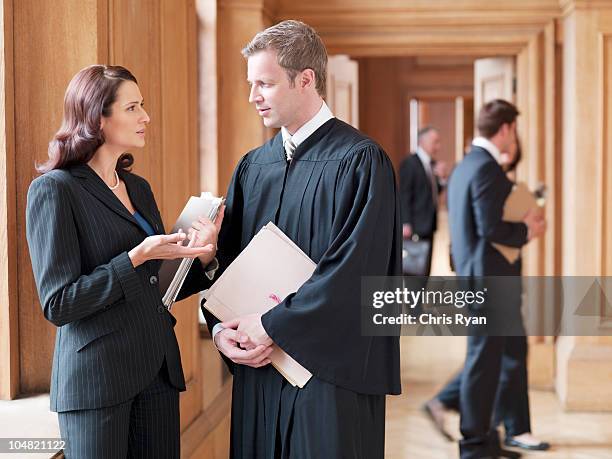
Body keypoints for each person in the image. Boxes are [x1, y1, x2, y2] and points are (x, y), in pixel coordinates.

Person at [201, 20, 401, 459]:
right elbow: (230, 265)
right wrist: (221, 330)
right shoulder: (254, 166)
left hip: (328, 375)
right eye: (251, 83)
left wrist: (272, 325)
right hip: (258, 368)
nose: (252, 96)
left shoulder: (361, 162)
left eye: (265, 84)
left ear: (305, 79)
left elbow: (354, 275)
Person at [26, 65, 223, 459]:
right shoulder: (54, 190)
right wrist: (135, 257)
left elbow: (156, 286)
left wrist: (202, 256)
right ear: (98, 118)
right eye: (132, 107)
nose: (145, 117)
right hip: (96, 383)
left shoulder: (137, 187)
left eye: (143, 105)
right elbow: (59, 303)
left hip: (157, 373)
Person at [425, 99, 546, 459]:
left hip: (479, 278)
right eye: (515, 130)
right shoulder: (486, 169)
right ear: (506, 129)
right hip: (489, 283)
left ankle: (491, 440)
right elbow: (490, 227)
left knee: (498, 359)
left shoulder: (466, 167)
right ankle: (475, 446)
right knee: (483, 363)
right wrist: (527, 230)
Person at [399, 126, 448, 275]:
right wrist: (405, 223)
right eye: (435, 142)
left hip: (428, 224)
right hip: (414, 226)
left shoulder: (431, 164)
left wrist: (442, 179)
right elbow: (404, 194)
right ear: (422, 141)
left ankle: (421, 296)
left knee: (425, 269)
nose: (438, 147)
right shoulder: (410, 163)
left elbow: (430, 193)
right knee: (414, 271)